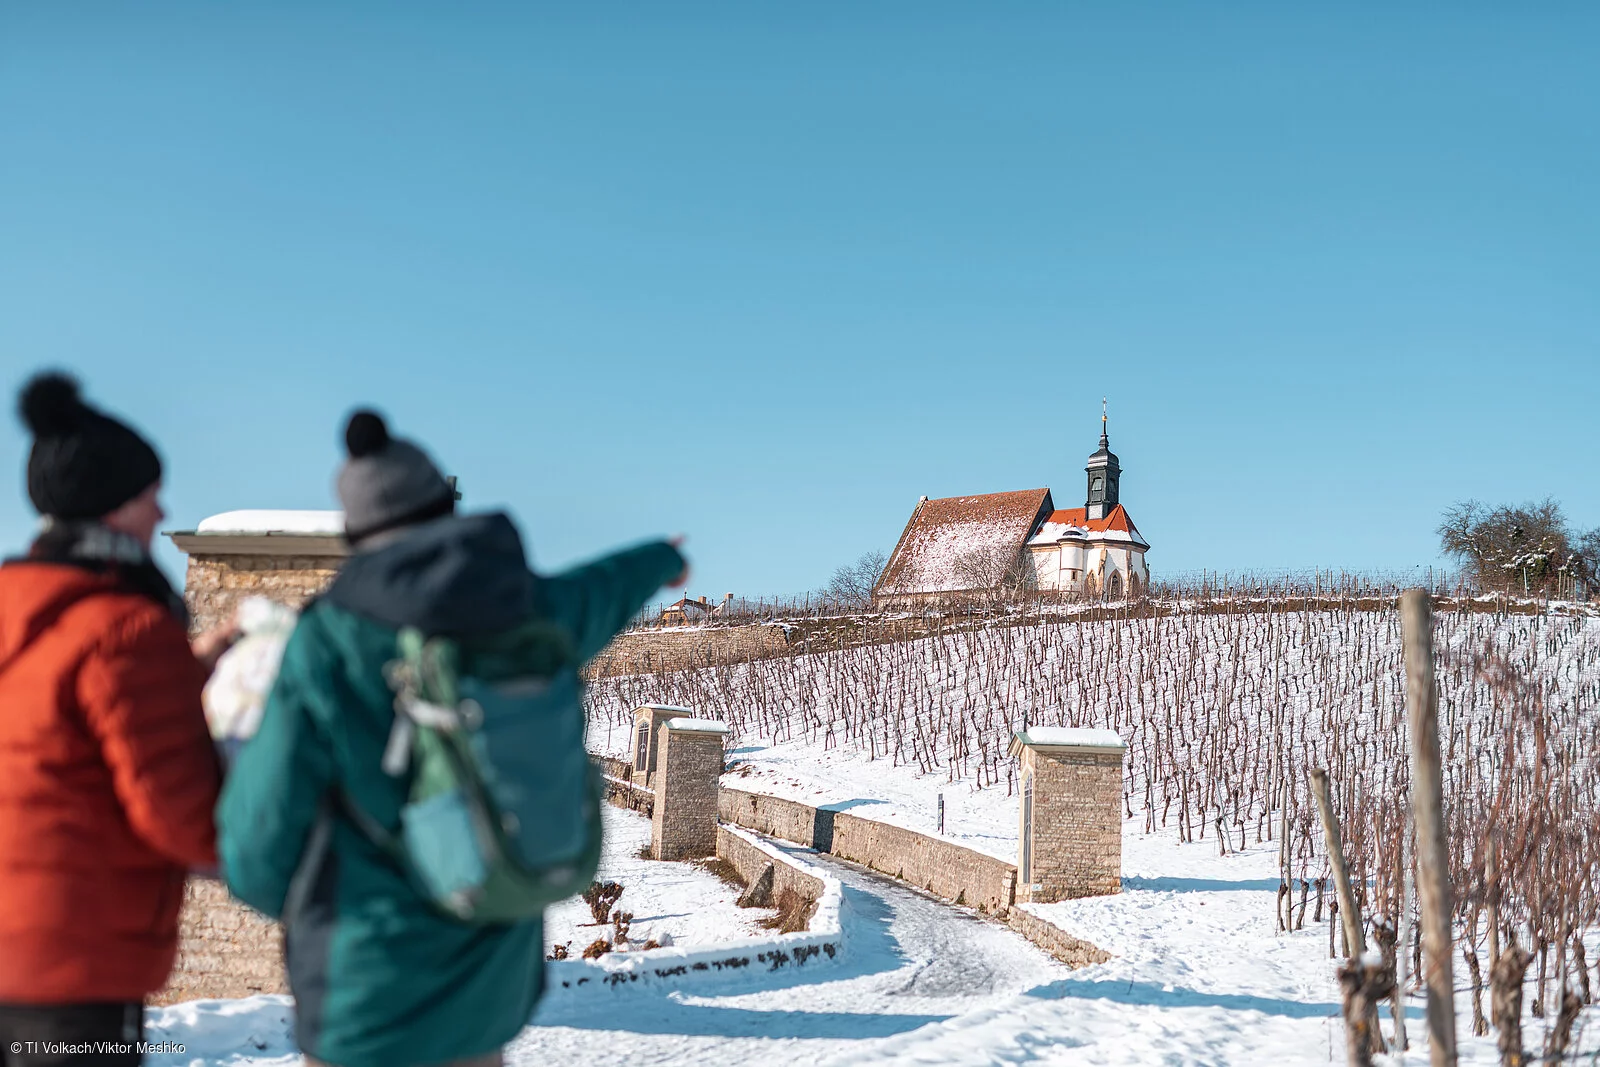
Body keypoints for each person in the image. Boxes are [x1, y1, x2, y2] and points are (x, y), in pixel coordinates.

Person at [217, 410, 688, 1067]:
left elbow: (258, 842)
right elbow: (602, 588)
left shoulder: (326, 641)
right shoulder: (526, 607)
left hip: (367, 997)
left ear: (356, 535)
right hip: (486, 999)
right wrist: (664, 558)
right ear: (443, 505)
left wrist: (299, 909)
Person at [0, 373, 232, 1065]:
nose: (161, 510)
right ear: (109, 508)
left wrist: (189, 668)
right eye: (146, 494)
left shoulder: (18, 607)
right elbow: (182, 816)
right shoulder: (126, 628)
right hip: (74, 966)